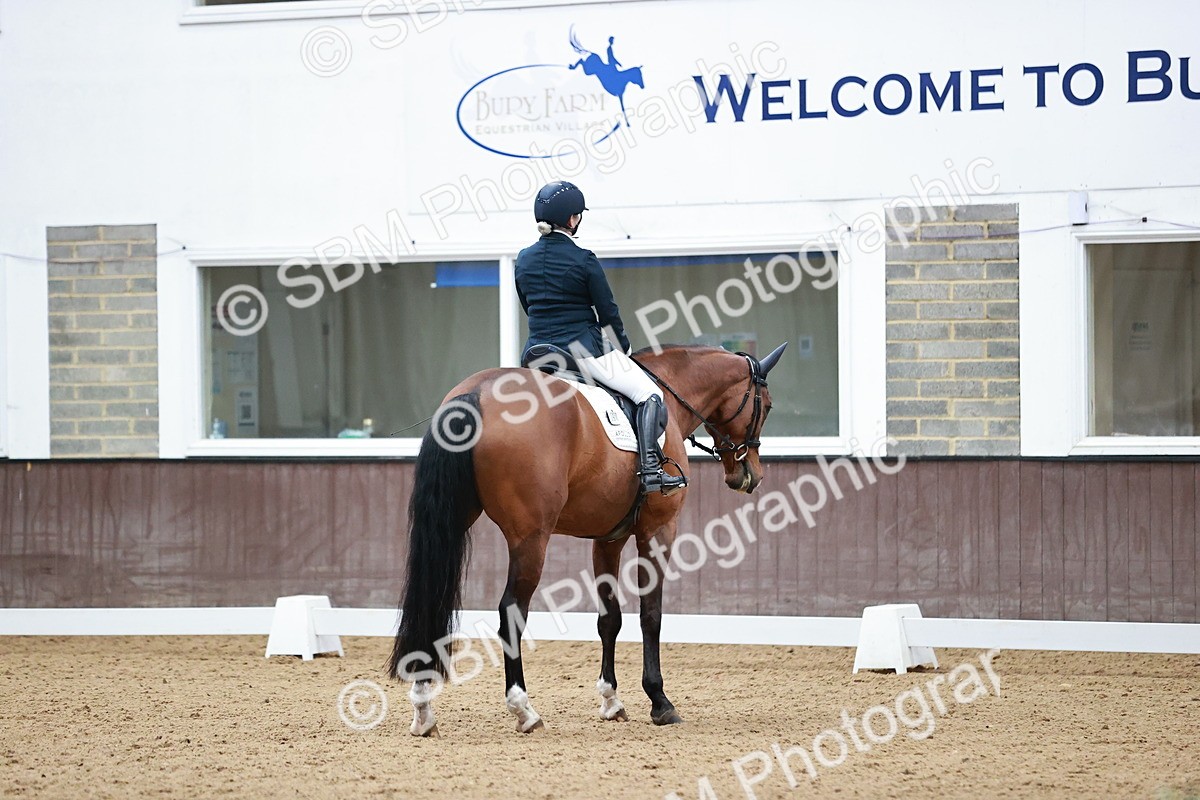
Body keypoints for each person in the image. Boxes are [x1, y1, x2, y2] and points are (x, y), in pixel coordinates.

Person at [515, 181, 686, 496]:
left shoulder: (523, 259)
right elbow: (608, 312)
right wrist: (625, 348)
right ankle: (650, 471)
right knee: (650, 394)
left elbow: (529, 306)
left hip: (537, 353)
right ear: (571, 220)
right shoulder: (583, 259)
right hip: (583, 350)